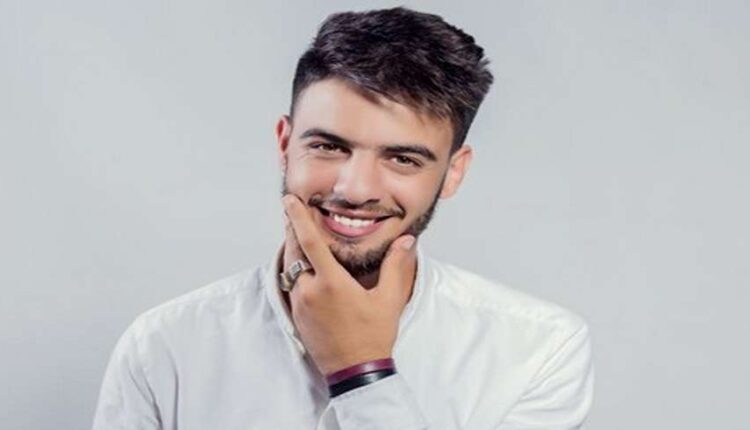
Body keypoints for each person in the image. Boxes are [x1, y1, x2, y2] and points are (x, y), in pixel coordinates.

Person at [93, 7, 594, 430]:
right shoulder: (163, 347)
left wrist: (361, 373)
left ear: (453, 172)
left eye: (403, 159)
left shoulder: (538, 351)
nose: (355, 190)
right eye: (328, 146)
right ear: (285, 144)